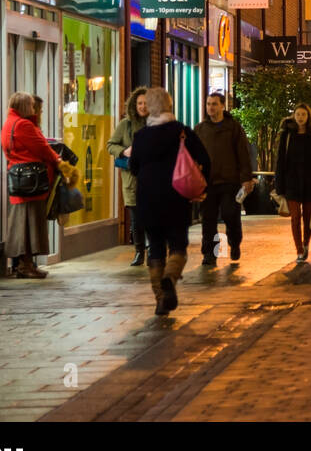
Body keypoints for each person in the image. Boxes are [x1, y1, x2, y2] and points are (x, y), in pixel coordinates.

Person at [130, 87, 211, 315]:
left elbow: (133, 166)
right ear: (169, 105)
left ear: (150, 109)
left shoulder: (141, 136)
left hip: (147, 199)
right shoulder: (182, 132)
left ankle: (160, 300)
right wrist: (203, 185)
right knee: (177, 245)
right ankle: (170, 277)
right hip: (176, 197)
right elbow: (205, 159)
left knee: (155, 248)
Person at [1, 92, 63, 280]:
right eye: (30, 105)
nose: (33, 108)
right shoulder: (24, 125)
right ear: (23, 106)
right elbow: (42, 147)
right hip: (32, 183)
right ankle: (25, 265)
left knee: (22, 223)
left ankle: (25, 265)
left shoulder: (9, 123)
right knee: (30, 224)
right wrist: (58, 160)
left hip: (20, 181)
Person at [194, 93, 254, 267]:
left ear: (222, 106)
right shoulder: (200, 129)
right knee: (208, 220)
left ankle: (234, 243)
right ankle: (210, 254)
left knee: (230, 214)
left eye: (214, 104)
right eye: (208, 104)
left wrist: (246, 179)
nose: (210, 107)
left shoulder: (233, 128)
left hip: (230, 181)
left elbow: (243, 154)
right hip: (207, 182)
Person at [274, 104, 311, 265]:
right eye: (298, 114)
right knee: (295, 218)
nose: (300, 117)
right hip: (291, 183)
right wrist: (279, 185)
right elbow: (280, 161)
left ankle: (306, 243)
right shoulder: (287, 136)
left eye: (303, 114)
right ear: (293, 116)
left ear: (308, 116)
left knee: (308, 218)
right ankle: (299, 249)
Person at [108, 86, 149, 266]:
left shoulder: (158, 123)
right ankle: (139, 252)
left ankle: (154, 249)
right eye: (139, 103)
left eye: (146, 103)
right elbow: (111, 145)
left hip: (154, 179)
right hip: (132, 180)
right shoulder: (125, 125)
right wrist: (125, 151)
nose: (142, 106)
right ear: (134, 104)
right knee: (137, 219)